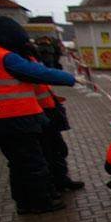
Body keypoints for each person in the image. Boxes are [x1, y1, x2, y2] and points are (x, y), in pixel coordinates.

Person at [0, 17, 77, 214]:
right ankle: (40, 201)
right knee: (32, 162)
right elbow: (36, 72)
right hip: (15, 118)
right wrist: (71, 78)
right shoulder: (3, 56)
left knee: (18, 164)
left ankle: (25, 201)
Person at [23, 43, 84, 192]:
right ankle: (48, 187)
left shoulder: (26, 60)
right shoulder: (20, 61)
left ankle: (60, 180)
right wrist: (70, 79)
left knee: (57, 149)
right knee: (45, 152)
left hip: (45, 111)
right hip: (34, 114)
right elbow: (45, 74)